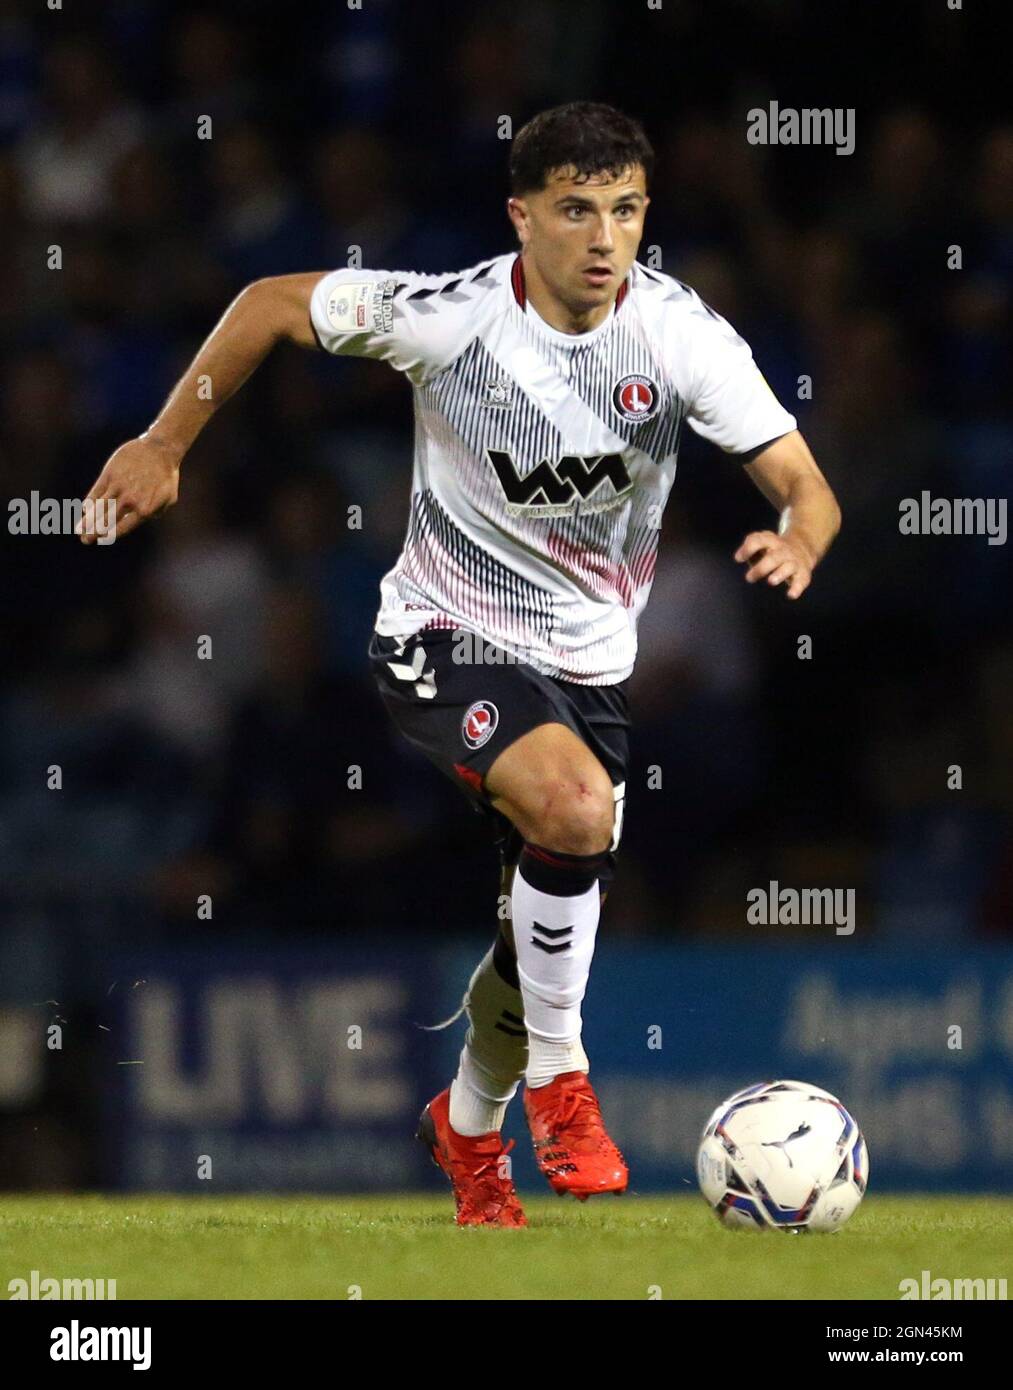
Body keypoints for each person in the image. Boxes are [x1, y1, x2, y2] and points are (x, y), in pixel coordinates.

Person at [78, 102, 841, 1227]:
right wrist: (163, 440)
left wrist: (800, 538)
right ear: (520, 217)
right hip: (442, 637)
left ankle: (468, 1130)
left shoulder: (681, 339)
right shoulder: (450, 317)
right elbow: (266, 304)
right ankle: (563, 1087)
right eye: (575, 210)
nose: (601, 238)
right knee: (575, 813)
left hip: (588, 670)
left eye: (624, 211)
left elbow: (806, 484)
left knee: (528, 945)